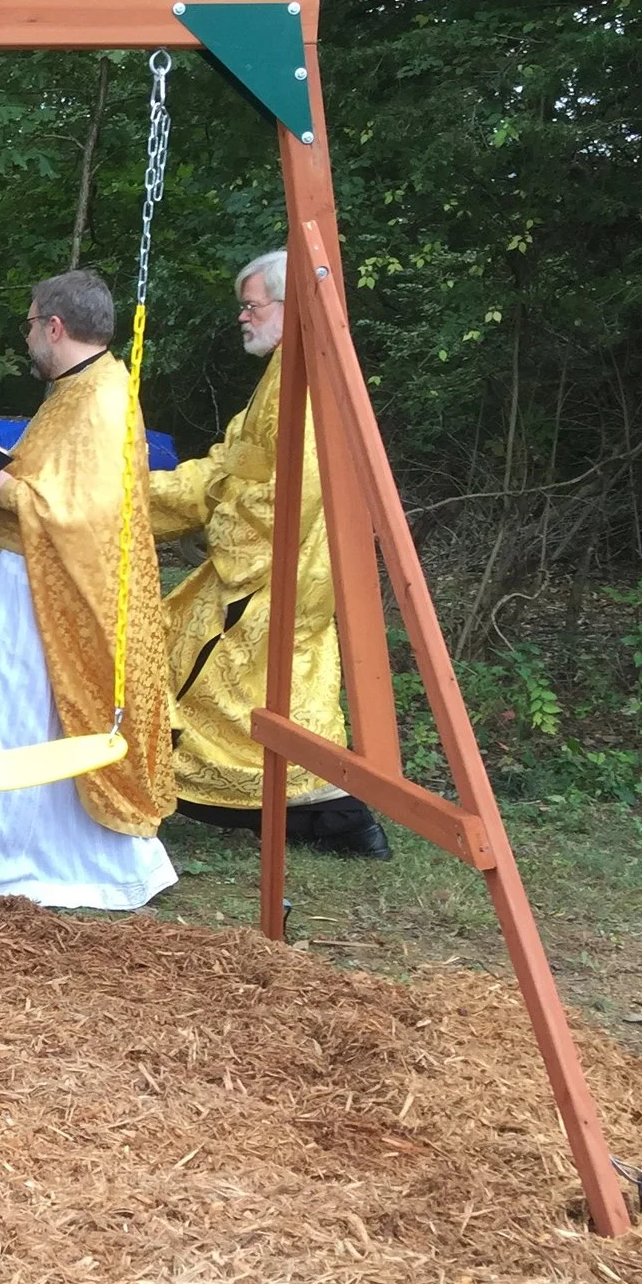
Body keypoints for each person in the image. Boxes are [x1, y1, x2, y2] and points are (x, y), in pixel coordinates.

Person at [0, 269, 177, 910]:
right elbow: (60, 480)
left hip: (48, 593)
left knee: (13, 715)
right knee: (11, 709)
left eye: (28, 324)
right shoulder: (78, 388)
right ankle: (5, 855)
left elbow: (95, 513)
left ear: (54, 326)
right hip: (27, 579)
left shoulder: (102, 396)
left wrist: (6, 489)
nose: (26, 338)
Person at [147, 251, 389, 858]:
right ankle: (327, 818)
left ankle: (330, 814)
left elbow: (289, 492)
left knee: (208, 677)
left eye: (252, 304)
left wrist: (225, 541)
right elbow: (228, 468)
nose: (242, 316)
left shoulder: (303, 382)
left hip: (273, 569)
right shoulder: (286, 373)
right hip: (281, 568)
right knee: (275, 695)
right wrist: (140, 494)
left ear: (293, 306)